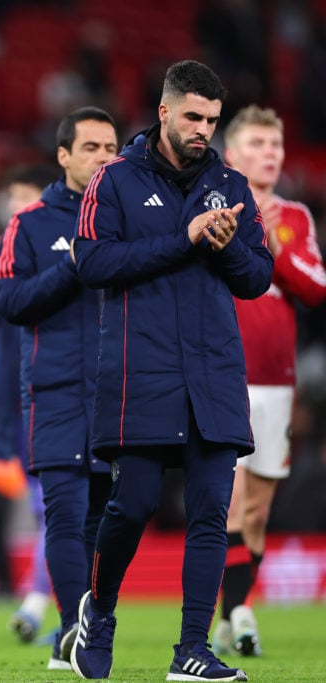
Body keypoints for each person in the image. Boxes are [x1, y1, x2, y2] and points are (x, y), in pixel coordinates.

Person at [68, 60, 273, 682]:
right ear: (164, 112)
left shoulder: (231, 185)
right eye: (192, 117)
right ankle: (97, 613)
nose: (202, 130)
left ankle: (192, 648)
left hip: (212, 372)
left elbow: (258, 278)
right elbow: (91, 263)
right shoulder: (115, 180)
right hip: (141, 372)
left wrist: (228, 245)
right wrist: (183, 239)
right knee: (130, 507)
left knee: (212, 511)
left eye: (212, 120)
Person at [0, 107, 118, 670]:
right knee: (66, 514)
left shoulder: (130, 220)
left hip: (117, 391)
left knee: (101, 519)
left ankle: (83, 629)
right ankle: (72, 632)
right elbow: (10, 302)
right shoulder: (33, 222)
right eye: (90, 147)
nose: (102, 158)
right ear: (64, 156)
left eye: (110, 147)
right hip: (56, 389)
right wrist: (72, 266)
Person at [214, 105, 326, 657]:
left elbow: (315, 287)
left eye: (276, 145)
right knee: (229, 506)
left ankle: (228, 612)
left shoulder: (295, 218)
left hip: (277, 383)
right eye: (258, 143)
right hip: (223, 376)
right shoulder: (215, 208)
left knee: (257, 513)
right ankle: (240, 610)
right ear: (233, 154)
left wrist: (275, 249)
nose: (271, 154)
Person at [0, 164, 58, 642]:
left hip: (61, 388)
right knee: (46, 505)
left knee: (56, 504)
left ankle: (42, 602)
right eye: (14, 195)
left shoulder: (65, 244)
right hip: (15, 395)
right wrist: (6, 251)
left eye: (29, 195)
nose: (18, 204)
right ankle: (52, 603)